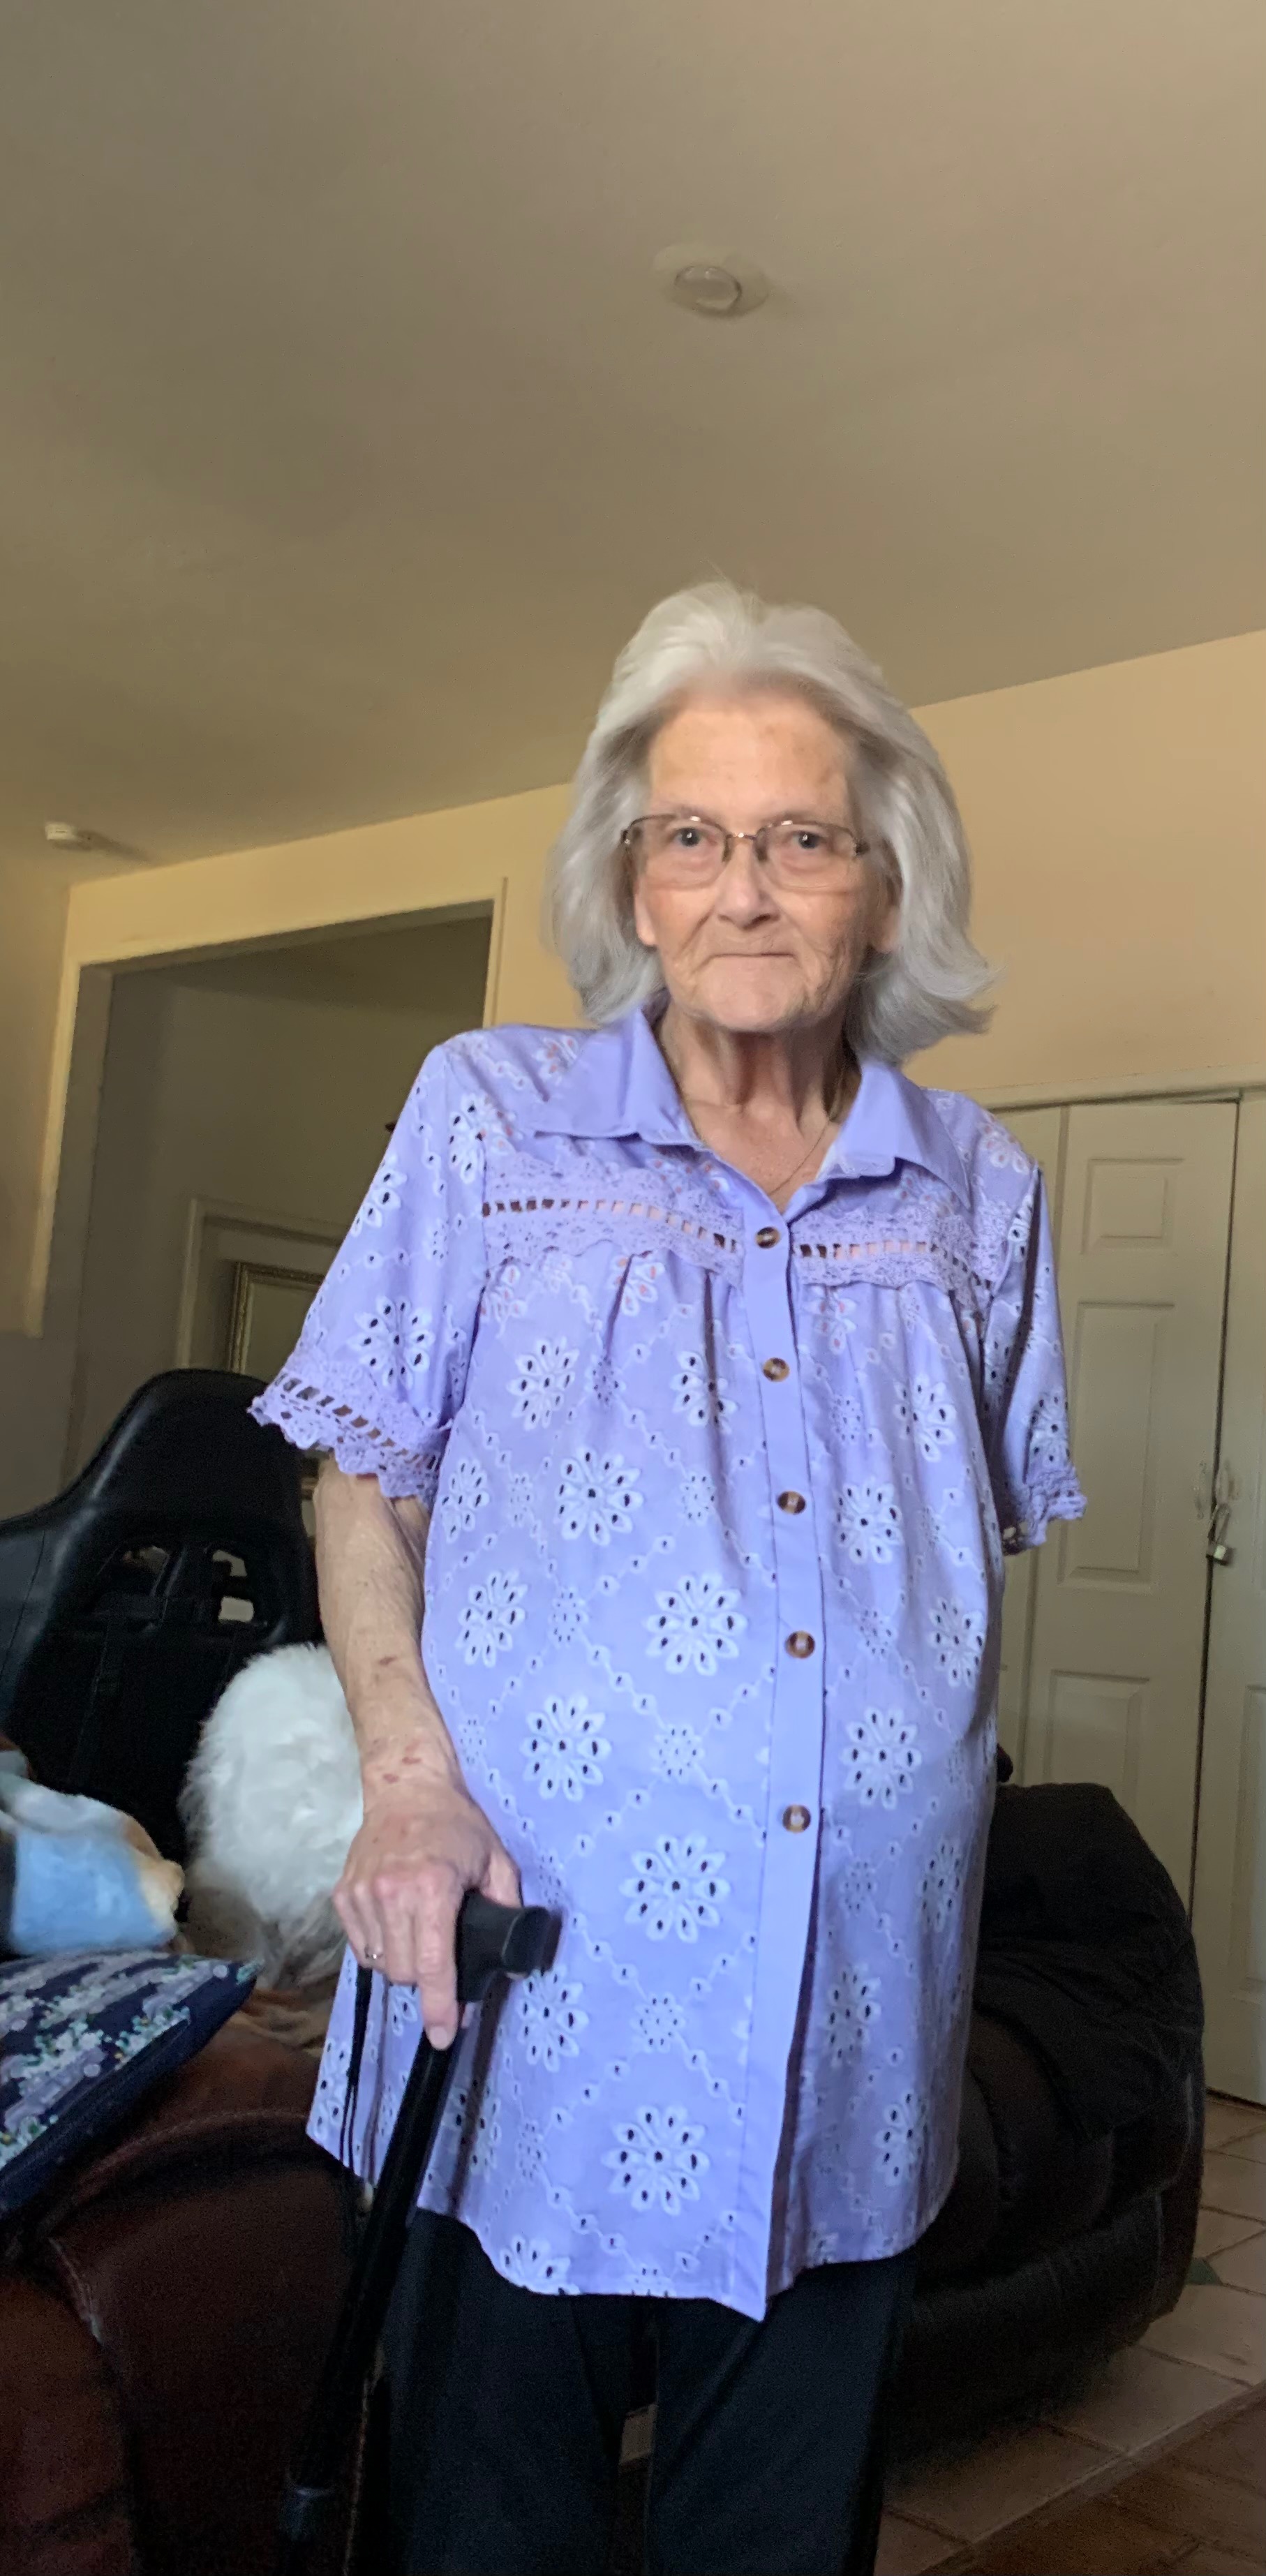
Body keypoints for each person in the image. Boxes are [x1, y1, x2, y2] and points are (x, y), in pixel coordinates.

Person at [254, 582, 1084, 2576]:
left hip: (853, 2022)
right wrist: (406, 1777)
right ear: (632, 878)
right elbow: (363, 1475)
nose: (745, 888)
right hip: (524, 1999)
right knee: (486, 2536)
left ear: (886, 884)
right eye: (692, 834)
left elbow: (945, 1556)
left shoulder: (978, 1190)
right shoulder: (491, 1122)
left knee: (778, 2546)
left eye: (802, 836)